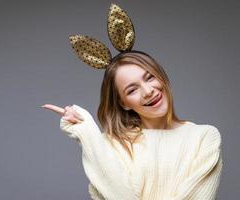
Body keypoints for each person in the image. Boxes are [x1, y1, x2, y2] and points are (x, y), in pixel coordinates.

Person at [42, 4, 223, 200]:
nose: (148, 91)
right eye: (132, 89)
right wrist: (88, 134)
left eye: (150, 77)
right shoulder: (110, 145)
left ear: (161, 76)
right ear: (123, 103)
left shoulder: (204, 137)